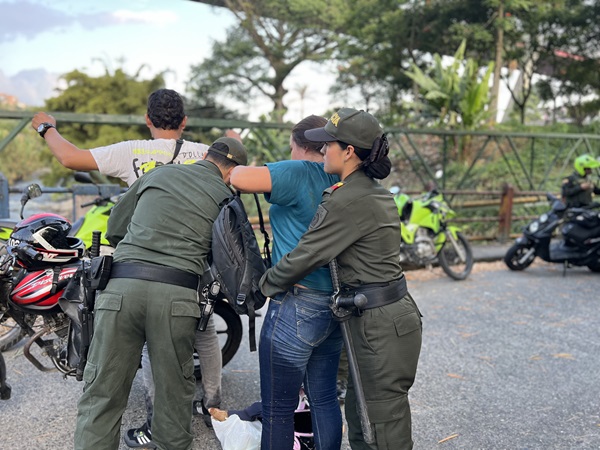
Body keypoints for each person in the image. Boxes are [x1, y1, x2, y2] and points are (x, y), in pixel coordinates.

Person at [32, 88, 225, 445]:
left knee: (108, 386)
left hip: (132, 272)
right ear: (184, 122)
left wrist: (47, 128)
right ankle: (212, 404)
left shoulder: (131, 151)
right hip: (190, 272)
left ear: (148, 120)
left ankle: (150, 415)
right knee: (195, 342)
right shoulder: (206, 156)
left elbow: (70, 159)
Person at [259, 107, 423, 450]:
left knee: (382, 425)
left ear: (349, 152)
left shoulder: (347, 199)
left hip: (380, 322)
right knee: (363, 418)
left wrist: (264, 285)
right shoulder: (367, 191)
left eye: (329, 144)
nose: (323, 151)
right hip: (380, 315)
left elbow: (306, 256)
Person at [73, 137, 248, 450]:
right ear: (232, 172)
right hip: (177, 296)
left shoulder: (158, 174)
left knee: (102, 394)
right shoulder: (226, 197)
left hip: (120, 289)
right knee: (173, 397)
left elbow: (116, 226)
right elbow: (225, 258)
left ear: (206, 155)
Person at [229, 115, 343, 450]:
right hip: (332, 302)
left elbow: (237, 175)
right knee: (323, 399)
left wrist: (235, 142)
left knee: (278, 407)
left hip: (296, 302)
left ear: (298, 145)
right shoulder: (339, 178)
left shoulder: (296, 171)